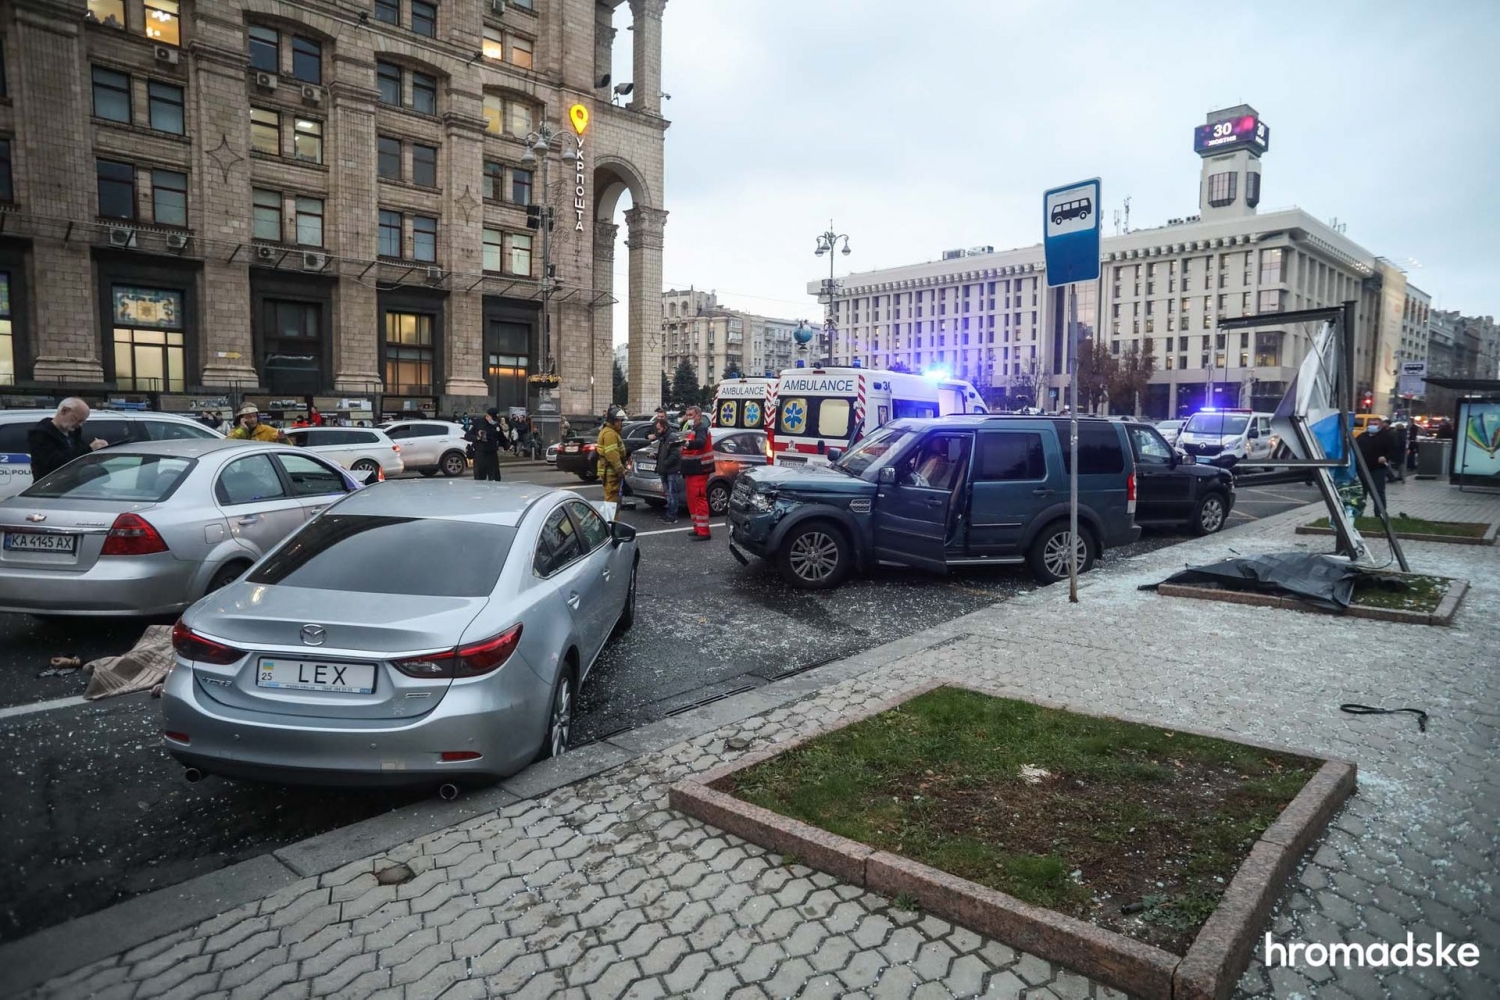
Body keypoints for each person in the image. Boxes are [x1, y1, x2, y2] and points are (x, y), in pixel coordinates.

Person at [28, 398, 108, 480]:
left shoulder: (73, 431)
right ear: (64, 411)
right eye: (77, 420)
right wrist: (90, 449)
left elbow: (80, 452)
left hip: (73, 484)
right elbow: (60, 464)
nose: (79, 425)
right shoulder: (40, 434)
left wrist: (96, 451)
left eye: (83, 422)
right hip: (49, 486)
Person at [680, 403, 713, 540]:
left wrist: (686, 444)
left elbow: (700, 443)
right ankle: (697, 528)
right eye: (687, 415)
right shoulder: (694, 428)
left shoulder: (701, 428)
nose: (688, 418)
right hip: (692, 470)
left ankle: (704, 532)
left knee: (699, 500)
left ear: (698, 416)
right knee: (692, 500)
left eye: (691, 415)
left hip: (700, 470)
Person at [648, 410, 683, 523]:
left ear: (664, 427)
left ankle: (672, 516)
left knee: (672, 494)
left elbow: (675, 455)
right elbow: (664, 453)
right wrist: (656, 456)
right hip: (665, 470)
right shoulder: (664, 437)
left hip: (671, 471)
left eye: (658, 429)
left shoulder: (671, 437)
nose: (657, 431)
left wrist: (664, 463)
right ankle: (669, 514)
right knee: (668, 494)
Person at [1356, 417, 1397, 511]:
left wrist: (1385, 457)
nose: (1372, 426)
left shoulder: (1386, 437)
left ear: (1380, 425)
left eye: (1375, 424)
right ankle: (1358, 513)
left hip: (1377, 469)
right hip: (1362, 469)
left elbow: (1393, 450)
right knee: (1361, 493)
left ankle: (1380, 513)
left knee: (1378, 492)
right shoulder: (1362, 436)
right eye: (1371, 424)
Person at [596, 406, 629, 520]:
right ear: (613, 421)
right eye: (619, 420)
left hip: (609, 472)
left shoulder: (609, 431)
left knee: (612, 500)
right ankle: (611, 526)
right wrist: (621, 470)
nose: (621, 423)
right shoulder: (610, 434)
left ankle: (612, 523)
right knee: (612, 502)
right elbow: (612, 454)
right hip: (611, 473)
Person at [466, 407, 505, 481]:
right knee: (479, 479)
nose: (494, 421)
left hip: (492, 455)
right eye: (493, 418)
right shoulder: (478, 423)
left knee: (495, 479)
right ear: (488, 416)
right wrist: (477, 437)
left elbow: (501, 438)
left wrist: (505, 445)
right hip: (480, 455)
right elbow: (467, 436)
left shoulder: (496, 425)